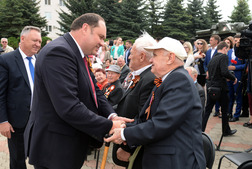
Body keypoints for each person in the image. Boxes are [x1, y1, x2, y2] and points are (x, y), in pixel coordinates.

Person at [23, 13, 132, 169]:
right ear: (85, 28)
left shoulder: (76, 52)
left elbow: (94, 91)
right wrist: (110, 125)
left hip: (67, 144)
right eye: (100, 37)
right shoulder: (59, 52)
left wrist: (112, 115)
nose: (102, 43)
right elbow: (68, 107)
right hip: (55, 148)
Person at [105, 37, 206, 169]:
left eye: (155, 55)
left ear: (170, 57)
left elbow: (162, 123)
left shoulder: (179, 80)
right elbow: (146, 117)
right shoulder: (167, 79)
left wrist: (124, 134)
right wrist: (124, 126)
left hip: (176, 162)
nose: (151, 59)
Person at [0, 26, 42, 169]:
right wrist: (3, 121)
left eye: (40, 41)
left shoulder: (40, 60)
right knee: (18, 159)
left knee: (39, 155)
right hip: (16, 121)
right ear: (22, 39)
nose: (38, 44)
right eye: (34, 40)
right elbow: (1, 94)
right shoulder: (6, 60)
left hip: (39, 119)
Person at [112, 32, 156, 169]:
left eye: (131, 53)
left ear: (142, 56)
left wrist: (128, 148)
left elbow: (145, 118)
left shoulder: (149, 79)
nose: (128, 56)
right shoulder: (140, 75)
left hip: (136, 147)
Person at [202, 41, 237, 136]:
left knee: (208, 110)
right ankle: (225, 131)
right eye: (227, 49)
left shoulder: (213, 58)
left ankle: (200, 130)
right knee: (225, 111)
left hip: (211, 87)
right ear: (225, 48)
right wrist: (233, 78)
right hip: (220, 88)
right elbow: (224, 72)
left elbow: (210, 72)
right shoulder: (223, 57)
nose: (227, 52)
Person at [226, 36, 246, 122]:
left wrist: (235, 67)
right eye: (235, 40)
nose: (237, 42)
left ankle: (236, 114)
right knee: (230, 96)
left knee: (238, 96)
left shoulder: (243, 52)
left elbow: (246, 65)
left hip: (238, 76)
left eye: (239, 41)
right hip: (229, 77)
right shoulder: (229, 51)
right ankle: (229, 113)